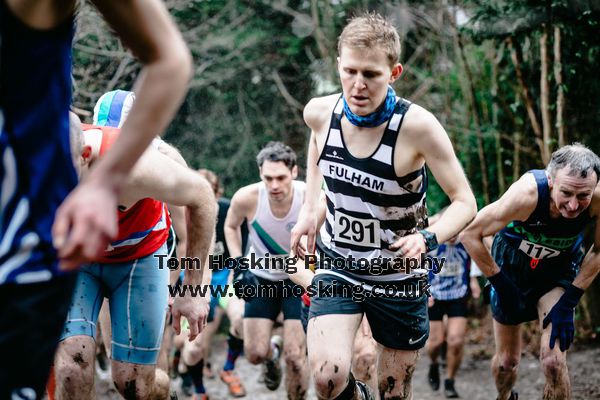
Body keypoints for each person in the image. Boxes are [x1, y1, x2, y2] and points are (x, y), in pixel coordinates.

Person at [0, 0, 191, 397]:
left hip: (44, 231)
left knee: (131, 382)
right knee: (73, 363)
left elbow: (170, 59)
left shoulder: (157, 165)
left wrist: (190, 286)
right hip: (80, 251)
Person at [290, 12, 477, 400]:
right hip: (338, 260)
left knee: (393, 391)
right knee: (327, 380)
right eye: (350, 71)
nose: (358, 85)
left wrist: (428, 238)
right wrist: (310, 208)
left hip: (398, 273)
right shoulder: (320, 113)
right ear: (339, 65)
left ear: (394, 72)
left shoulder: (418, 128)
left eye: (371, 74)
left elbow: (465, 202)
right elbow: (315, 144)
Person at [53, 120, 216, 400]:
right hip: (78, 261)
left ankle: (166, 393)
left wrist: (191, 290)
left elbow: (202, 197)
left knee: (135, 385)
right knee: (71, 369)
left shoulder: (133, 166)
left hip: (138, 259)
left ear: (85, 156)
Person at [460, 144, 600, 400]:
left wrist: (569, 301)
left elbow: (598, 251)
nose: (573, 205)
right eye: (566, 193)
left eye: (583, 196)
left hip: (556, 273)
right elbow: (469, 234)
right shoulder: (526, 194)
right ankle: (504, 396)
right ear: (550, 180)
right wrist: (500, 282)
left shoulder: (598, 199)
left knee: (554, 363)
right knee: (507, 361)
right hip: (511, 268)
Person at [225, 141, 309, 399]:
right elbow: (230, 227)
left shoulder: (308, 196)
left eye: (281, 178)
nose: (274, 185)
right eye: (268, 178)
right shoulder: (247, 197)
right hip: (261, 278)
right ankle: (272, 354)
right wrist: (239, 266)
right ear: (260, 173)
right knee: (255, 354)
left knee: (295, 357)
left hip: (298, 280)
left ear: (294, 172)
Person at [180, 168, 248, 399]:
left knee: (241, 319)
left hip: (225, 276)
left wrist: (238, 271)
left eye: (209, 194)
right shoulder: (181, 214)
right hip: (196, 280)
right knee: (193, 348)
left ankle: (228, 369)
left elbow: (245, 243)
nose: (204, 201)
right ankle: (198, 389)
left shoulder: (229, 210)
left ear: (218, 193)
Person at [425, 234, 481, 398]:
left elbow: (475, 256)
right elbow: (419, 265)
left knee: (455, 340)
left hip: (458, 294)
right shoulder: (433, 243)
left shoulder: (466, 240)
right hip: (434, 295)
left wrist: (473, 280)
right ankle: (434, 364)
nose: (452, 236)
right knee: (435, 343)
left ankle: (450, 380)